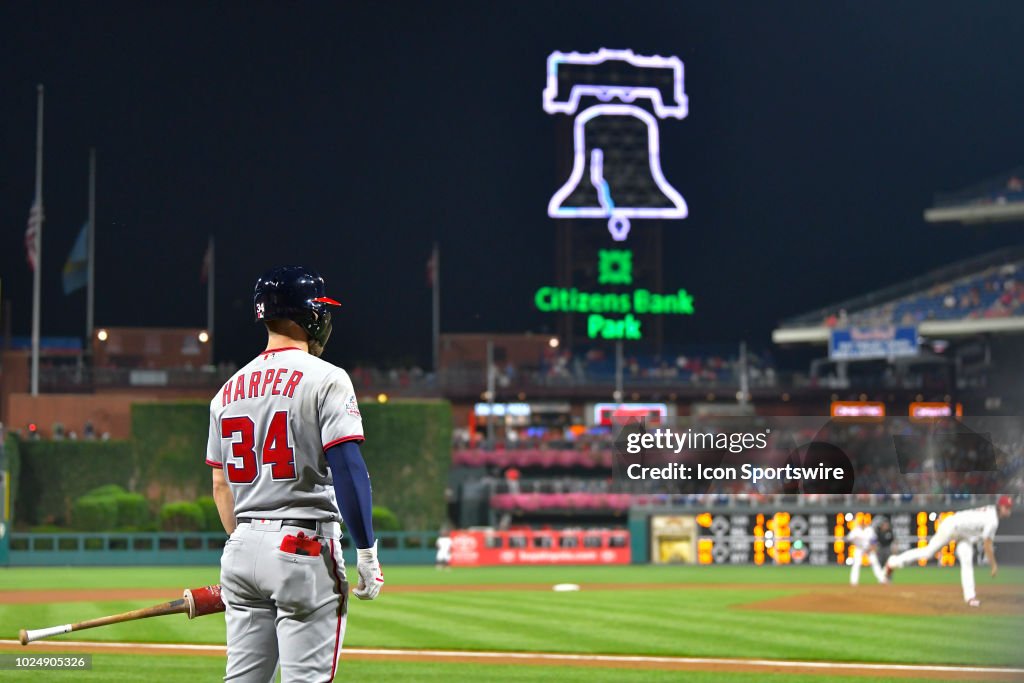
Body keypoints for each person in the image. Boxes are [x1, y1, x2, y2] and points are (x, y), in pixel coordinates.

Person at [207, 266, 384, 682]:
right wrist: (368, 553)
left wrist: (247, 545)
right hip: (302, 548)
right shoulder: (327, 377)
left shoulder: (226, 390)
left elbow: (220, 484)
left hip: (240, 546)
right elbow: (348, 468)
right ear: (308, 315)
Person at [886, 496, 1013, 607]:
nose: (1008, 510)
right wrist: (994, 565)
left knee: (967, 558)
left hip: (964, 535)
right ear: (1000, 507)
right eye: (1006, 507)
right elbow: (987, 544)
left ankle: (970, 597)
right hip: (951, 526)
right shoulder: (993, 521)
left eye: (1009, 507)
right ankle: (893, 562)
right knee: (927, 552)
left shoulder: (991, 511)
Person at [845, 519, 887, 586]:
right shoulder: (856, 530)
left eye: (864, 523)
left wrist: (873, 547)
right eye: (861, 523)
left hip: (868, 548)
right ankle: (853, 582)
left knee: (875, 562)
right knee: (856, 564)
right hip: (859, 548)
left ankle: (882, 580)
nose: (863, 524)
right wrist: (854, 542)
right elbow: (848, 539)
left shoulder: (869, 530)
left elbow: (874, 540)